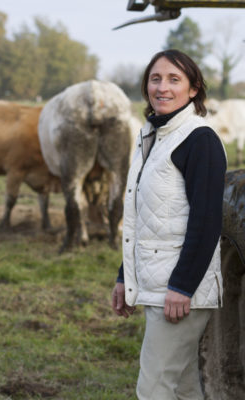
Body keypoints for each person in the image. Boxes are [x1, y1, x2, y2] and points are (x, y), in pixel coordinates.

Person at [111, 49, 227, 400]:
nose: (162, 87)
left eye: (174, 79)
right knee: (182, 386)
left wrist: (183, 286)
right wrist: (124, 276)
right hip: (159, 280)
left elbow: (206, 221)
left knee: (154, 388)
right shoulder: (153, 137)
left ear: (193, 90)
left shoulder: (199, 140)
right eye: (155, 79)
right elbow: (144, 218)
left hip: (179, 290)